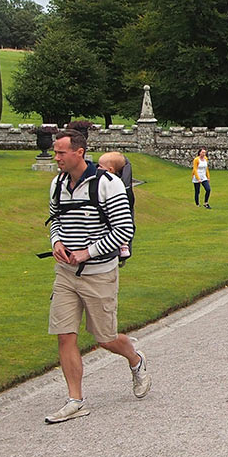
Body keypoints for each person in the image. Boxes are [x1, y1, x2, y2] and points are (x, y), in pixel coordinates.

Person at [43, 128, 150, 423]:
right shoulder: (57, 184)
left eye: (61, 152)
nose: (57, 157)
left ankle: (135, 358)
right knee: (65, 335)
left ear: (79, 152)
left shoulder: (109, 185)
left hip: (99, 273)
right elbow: (54, 220)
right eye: (55, 152)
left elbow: (123, 232)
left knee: (104, 338)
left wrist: (87, 253)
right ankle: (75, 400)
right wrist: (57, 243)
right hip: (65, 273)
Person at [96, 151, 135, 264]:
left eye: (100, 167)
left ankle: (124, 248)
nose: (97, 169)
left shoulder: (117, 186)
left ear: (111, 170)